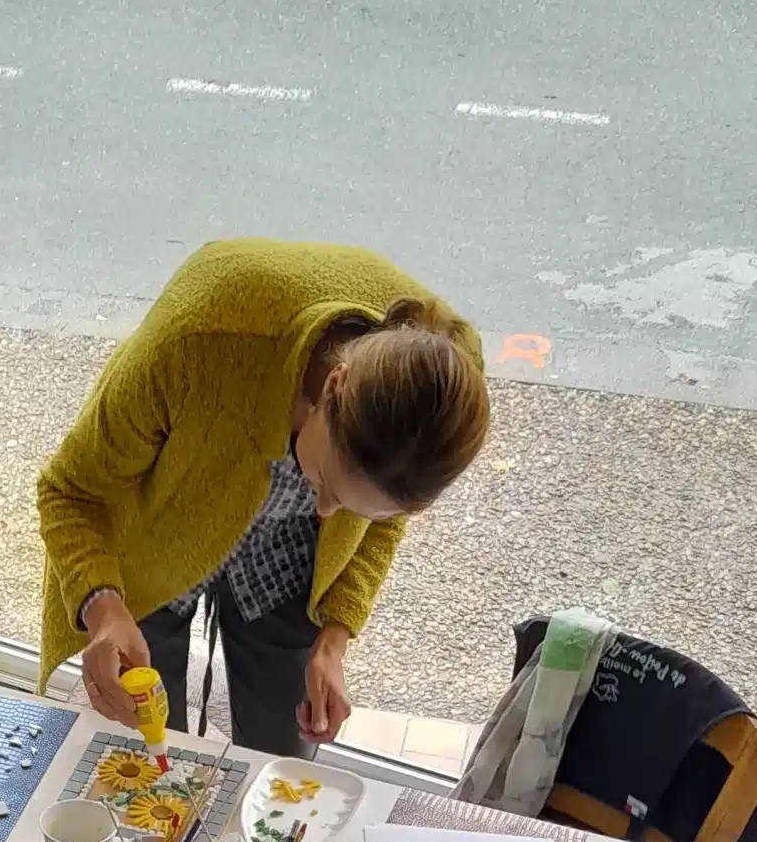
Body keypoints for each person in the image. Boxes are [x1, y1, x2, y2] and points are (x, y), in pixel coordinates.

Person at [35, 238, 489, 759]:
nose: (325, 513)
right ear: (333, 384)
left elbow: (383, 517)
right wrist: (105, 610)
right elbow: (69, 490)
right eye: (323, 483)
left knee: (282, 761)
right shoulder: (196, 343)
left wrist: (335, 635)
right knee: (141, 739)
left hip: (289, 553)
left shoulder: (443, 386)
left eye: (352, 510)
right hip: (162, 513)